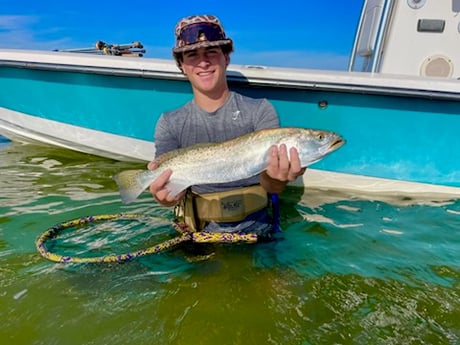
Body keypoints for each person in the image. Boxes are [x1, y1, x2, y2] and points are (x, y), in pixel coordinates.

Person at [148, 14, 305, 237]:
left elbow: (273, 187)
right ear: (181, 65)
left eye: (211, 52)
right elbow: (167, 192)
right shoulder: (169, 123)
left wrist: (277, 178)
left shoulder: (260, 111)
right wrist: (163, 197)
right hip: (196, 232)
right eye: (192, 55)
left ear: (226, 58)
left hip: (258, 229)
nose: (203, 62)